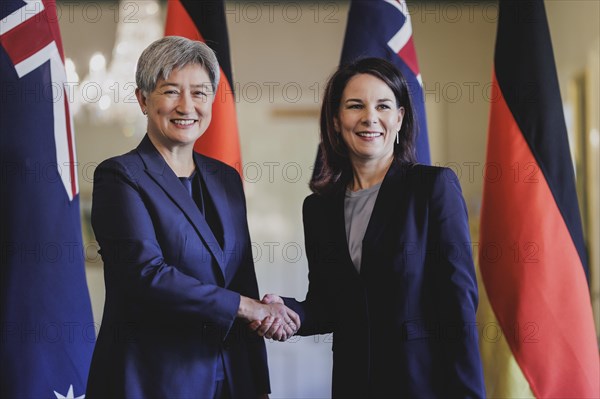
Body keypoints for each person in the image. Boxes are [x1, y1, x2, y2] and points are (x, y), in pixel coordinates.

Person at [255, 58, 486, 398]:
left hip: (424, 387)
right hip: (353, 386)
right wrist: (288, 311)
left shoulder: (432, 188)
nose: (369, 117)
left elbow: (459, 307)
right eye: (355, 106)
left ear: (399, 118)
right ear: (336, 120)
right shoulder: (318, 209)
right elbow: (328, 305)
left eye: (383, 105)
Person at [86, 36, 299, 399]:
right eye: (171, 91)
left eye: (200, 93)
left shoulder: (225, 179)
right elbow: (146, 275)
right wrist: (246, 307)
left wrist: (257, 379)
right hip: (152, 379)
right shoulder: (119, 176)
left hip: (231, 375)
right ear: (142, 99)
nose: (187, 106)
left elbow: (241, 275)